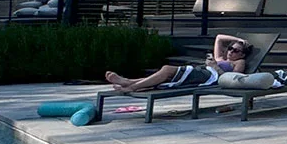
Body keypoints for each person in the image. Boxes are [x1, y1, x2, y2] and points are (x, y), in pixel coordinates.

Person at [105, 34, 253, 93]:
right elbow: (219, 38)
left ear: (242, 54)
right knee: (166, 75)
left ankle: (131, 86)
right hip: (201, 71)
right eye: (230, 48)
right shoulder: (221, 58)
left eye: (236, 50)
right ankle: (128, 81)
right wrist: (238, 39)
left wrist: (215, 67)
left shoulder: (240, 62)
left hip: (209, 76)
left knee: (167, 70)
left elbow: (234, 79)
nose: (231, 52)